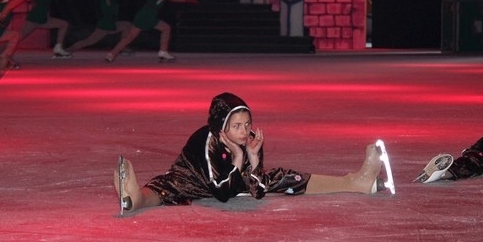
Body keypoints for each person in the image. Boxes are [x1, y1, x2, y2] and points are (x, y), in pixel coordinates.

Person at [113, 92, 395, 215]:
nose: (244, 131)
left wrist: (254, 159)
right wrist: (238, 160)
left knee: (284, 177)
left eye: (247, 124)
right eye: (236, 126)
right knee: (165, 187)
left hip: (233, 182)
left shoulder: (249, 140)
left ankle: (356, 182)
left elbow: (257, 190)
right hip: (193, 181)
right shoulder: (206, 141)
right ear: (221, 127)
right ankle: (134, 199)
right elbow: (221, 194)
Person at [105, 0, 197, 62]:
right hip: (149, 16)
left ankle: (112, 54)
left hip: (142, 15)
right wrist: (187, 0)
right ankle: (163, 51)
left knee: (129, 37)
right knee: (166, 28)